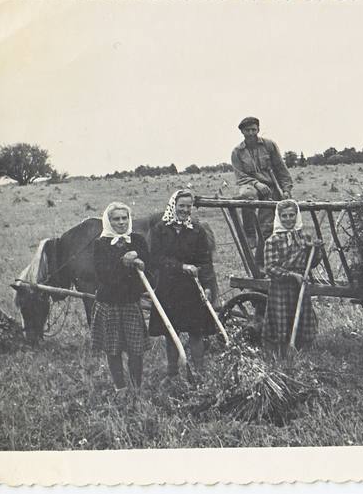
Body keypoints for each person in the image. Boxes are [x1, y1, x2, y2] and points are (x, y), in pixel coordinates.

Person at [148, 189, 216, 381]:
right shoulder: (161, 229)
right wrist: (181, 266)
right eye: (182, 206)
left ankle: (199, 373)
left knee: (196, 331)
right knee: (171, 331)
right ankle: (172, 372)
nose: (185, 210)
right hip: (169, 288)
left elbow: (205, 260)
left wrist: (208, 286)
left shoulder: (197, 230)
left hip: (193, 289)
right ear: (173, 206)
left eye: (189, 206)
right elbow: (156, 258)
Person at [91, 202, 150, 395]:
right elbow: (103, 274)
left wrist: (140, 261)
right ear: (108, 222)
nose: (121, 222)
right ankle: (120, 388)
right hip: (109, 304)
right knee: (113, 348)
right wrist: (123, 262)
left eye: (124, 218)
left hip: (131, 303)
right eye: (116, 219)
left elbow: (148, 266)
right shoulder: (100, 244)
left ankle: (136, 386)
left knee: (136, 349)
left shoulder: (138, 241)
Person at [263, 199, 322, 359]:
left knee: (303, 319)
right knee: (281, 322)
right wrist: (291, 275)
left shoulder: (303, 237)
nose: (288, 219)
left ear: (297, 216)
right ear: (278, 217)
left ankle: (302, 356)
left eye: (291, 215)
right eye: (284, 216)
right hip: (281, 288)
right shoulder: (272, 241)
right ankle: (280, 357)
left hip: (300, 287)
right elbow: (270, 268)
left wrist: (314, 249)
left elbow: (313, 262)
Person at [231, 116, 294, 248]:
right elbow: (240, 176)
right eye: (247, 130)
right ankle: (250, 234)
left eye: (254, 130)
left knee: (266, 227)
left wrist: (286, 189)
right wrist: (256, 184)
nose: (251, 133)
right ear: (242, 132)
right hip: (249, 185)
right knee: (247, 197)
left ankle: (262, 259)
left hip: (270, 188)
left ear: (258, 129)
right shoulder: (237, 152)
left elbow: (281, 169)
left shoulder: (269, 145)